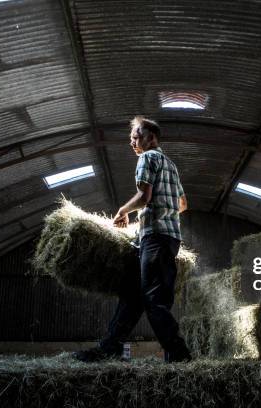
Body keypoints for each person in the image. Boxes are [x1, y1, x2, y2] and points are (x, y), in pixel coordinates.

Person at [73, 116, 192, 363]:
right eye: (131, 139)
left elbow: (144, 196)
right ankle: (109, 347)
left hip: (156, 239)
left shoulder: (147, 158)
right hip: (167, 237)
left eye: (136, 137)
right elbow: (182, 204)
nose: (132, 143)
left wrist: (123, 211)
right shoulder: (170, 165)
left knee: (154, 301)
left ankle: (179, 354)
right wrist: (160, 214)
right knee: (133, 296)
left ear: (151, 138)